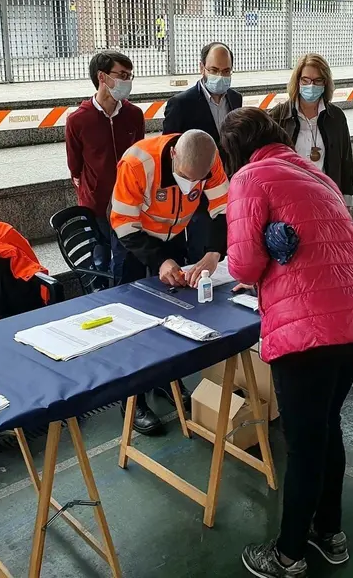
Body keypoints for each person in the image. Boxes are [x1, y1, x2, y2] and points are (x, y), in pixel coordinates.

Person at [222, 108, 353, 578]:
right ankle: (329, 531)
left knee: (302, 443)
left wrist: (260, 247)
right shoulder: (312, 173)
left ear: (234, 151)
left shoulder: (249, 177)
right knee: (325, 427)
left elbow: (240, 267)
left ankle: (288, 554)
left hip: (309, 328)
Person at [109, 129, 229, 434]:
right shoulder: (137, 163)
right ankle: (132, 401)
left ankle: (166, 382)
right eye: (186, 177)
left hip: (175, 236)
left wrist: (214, 253)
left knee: (175, 316)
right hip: (133, 243)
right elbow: (123, 223)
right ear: (173, 154)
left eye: (197, 180)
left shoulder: (210, 159)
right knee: (133, 323)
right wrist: (159, 260)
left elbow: (222, 209)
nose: (192, 184)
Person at [65, 51, 145, 283]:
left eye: (130, 75)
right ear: (102, 77)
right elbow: (75, 166)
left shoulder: (134, 115)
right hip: (96, 205)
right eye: (121, 75)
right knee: (99, 261)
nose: (126, 81)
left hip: (128, 203)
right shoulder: (78, 120)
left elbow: (139, 156)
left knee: (125, 263)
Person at [163, 43, 243, 262]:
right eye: (214, 70)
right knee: (202, 256)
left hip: (231, 192)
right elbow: (171, 153)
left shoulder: (236, 99)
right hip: (198, 197)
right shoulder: (180, 104)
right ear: (202, 68)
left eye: (226, 71)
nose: (220, 76)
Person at [268, 53, 353, 206]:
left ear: (325, 83)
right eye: (305, 80)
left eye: (317, 80)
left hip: (327, 199)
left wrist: (346, 202)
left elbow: (346, 161)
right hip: (289, 201)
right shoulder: (278, 116)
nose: (311, 85)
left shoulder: (336, 117)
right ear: (297, 81)